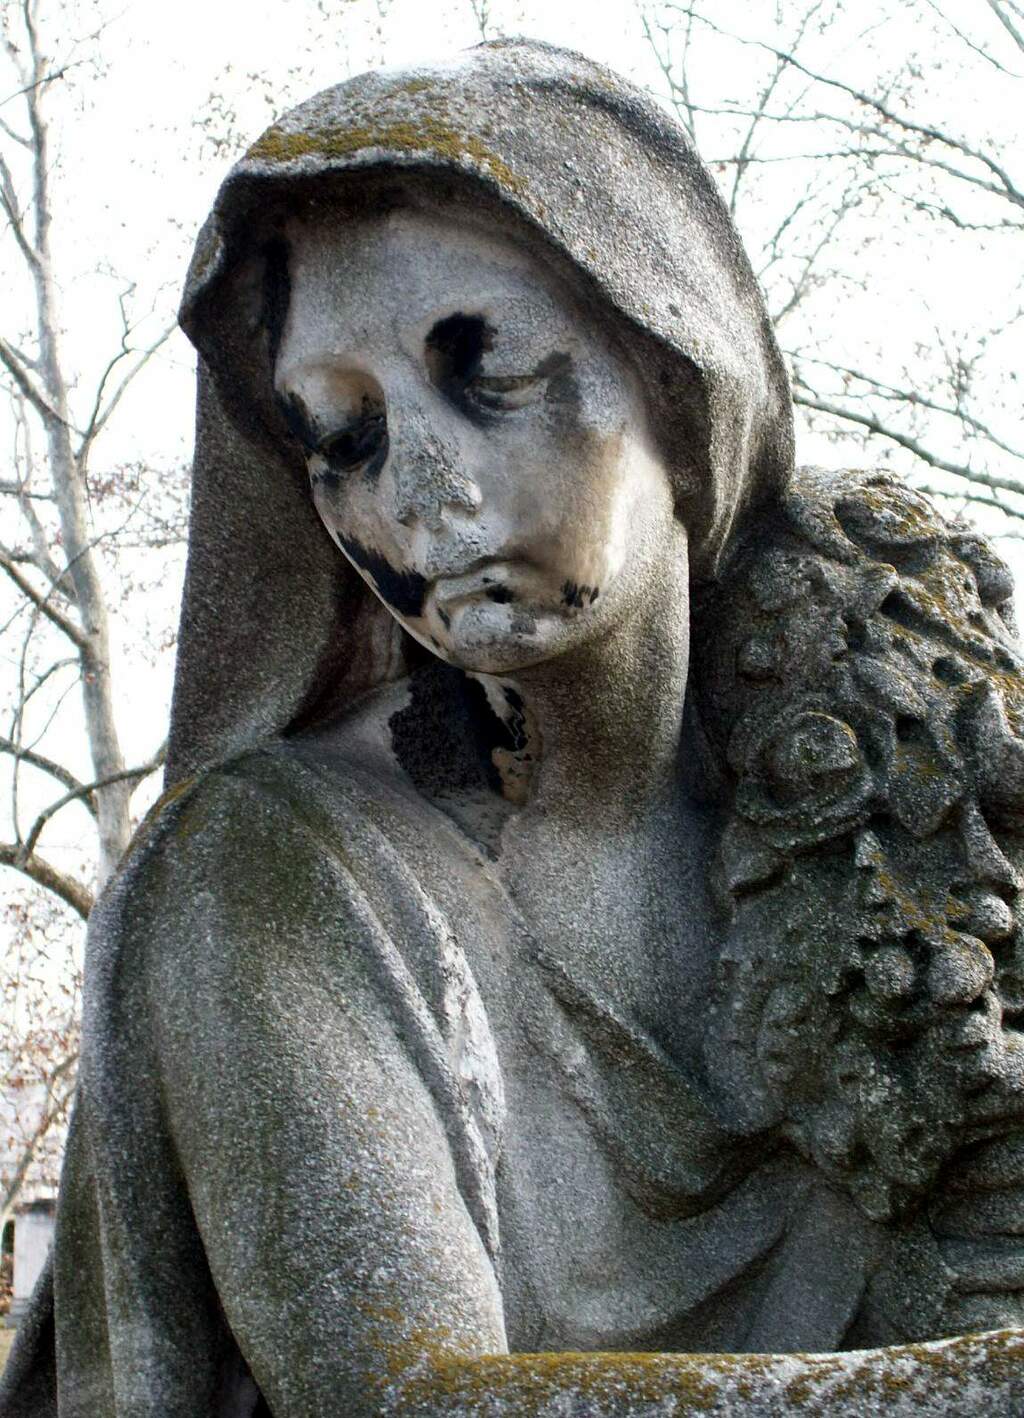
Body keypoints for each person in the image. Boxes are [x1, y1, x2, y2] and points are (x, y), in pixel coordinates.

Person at [4, 38, 1024, 1417]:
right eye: (345, 439)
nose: (420, 488)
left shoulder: (891, 773)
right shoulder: (269, 876)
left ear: (675, 374)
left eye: (486, 374)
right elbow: (404, 1401)